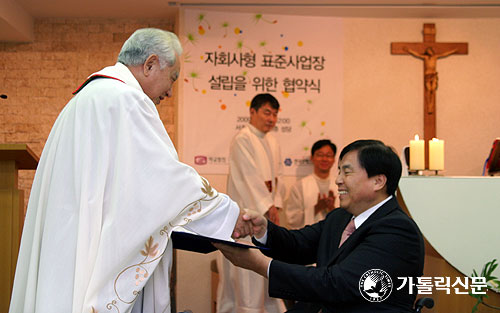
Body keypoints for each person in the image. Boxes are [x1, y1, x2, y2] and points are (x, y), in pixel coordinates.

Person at [8, 28, 252, 313]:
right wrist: (227, 214)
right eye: (172, 78)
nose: (170, 92)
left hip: (71, 239)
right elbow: (163, 179)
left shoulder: (87, 98)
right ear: (149, 64)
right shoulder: (127, 100)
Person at [216, 140, 425, 313]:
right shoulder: (341, 217)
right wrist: (262, 230)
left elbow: (337, 284)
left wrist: (261, 265)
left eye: (347, 172)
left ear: (378, 181)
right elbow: (298, 244)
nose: (338, 180)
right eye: (339, 171)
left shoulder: (397, 230)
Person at [217, 93, 285, 313]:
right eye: (267, 112)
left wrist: (276, 203)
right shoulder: (243, 139)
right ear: (252, 112)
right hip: (246, 220)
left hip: (265, 219)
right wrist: (268, 205)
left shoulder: (273, 141)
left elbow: (278, 178)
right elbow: (249, 178)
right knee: (246, 282)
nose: (271, 119)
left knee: (265, 279)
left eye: (275, 114)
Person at [285, 139, 338, 229]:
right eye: (320, 155)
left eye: (328, 156)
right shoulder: (300, 186)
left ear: (333, 160)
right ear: (312, 158)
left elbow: (350, 217)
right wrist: (316, 208)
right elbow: (292, 219)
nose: (324, 159)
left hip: (334, 238)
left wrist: (332, 208)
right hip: (308, 239)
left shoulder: (340, 185)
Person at [404, 46, 457, 114]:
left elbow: (444, 54)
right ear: (427, 52)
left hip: (434, 75)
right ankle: (429, 106)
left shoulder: (435, 57)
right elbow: (417, 54)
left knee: (433, 90)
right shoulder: (425, 58)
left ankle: (431, 106)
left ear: (432, 51)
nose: (429, 52)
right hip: (427, 76)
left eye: (430, 50)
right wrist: (410, 50)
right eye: (428, 51)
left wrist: (453, 51)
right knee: (428, 90)